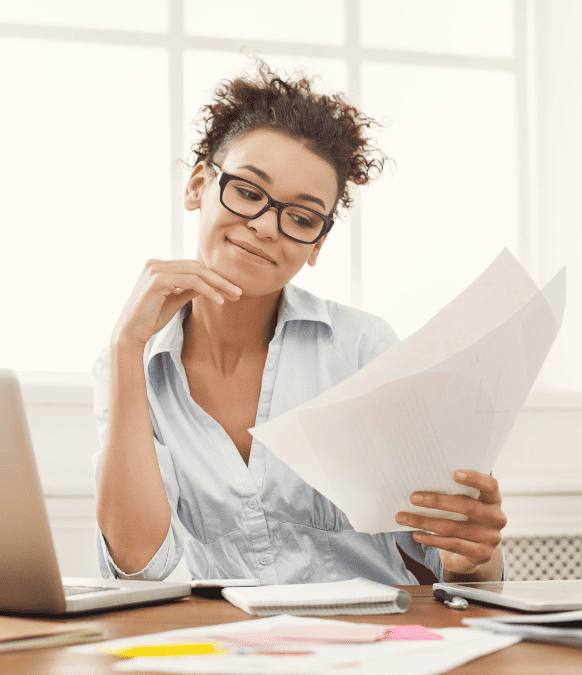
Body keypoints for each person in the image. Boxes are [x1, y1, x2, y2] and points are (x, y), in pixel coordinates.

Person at [93, 61, 507, 585]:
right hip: (225, 652)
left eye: (302, 217)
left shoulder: (364, 350)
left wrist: (475, 554)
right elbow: (137, 564)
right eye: (247, 191)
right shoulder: (131, 364)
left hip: (368, 649)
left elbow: (448, 569)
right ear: (199, 185)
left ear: (318, 243)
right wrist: (127, 346)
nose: (266, 226)